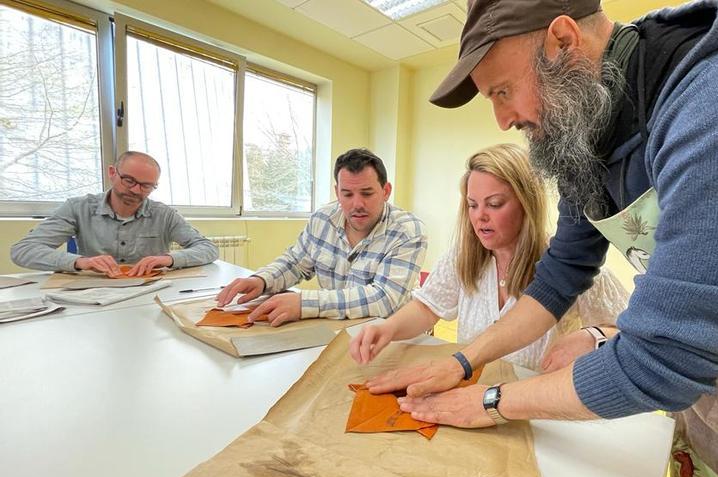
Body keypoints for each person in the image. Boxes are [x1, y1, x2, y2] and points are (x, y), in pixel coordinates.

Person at [364, 0, 718, 477]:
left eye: (502, 91)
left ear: (562, 40)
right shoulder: (586, 131)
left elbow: (662, 358)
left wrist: (492, 401)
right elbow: (558, 278)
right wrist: (461, 363)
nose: (502, 120)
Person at [349, 143, 628, 371]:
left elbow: (628, 333)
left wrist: (593, 336)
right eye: (472, 205)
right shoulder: (463, 257)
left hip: (539, 409)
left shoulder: (571, 268)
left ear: (526, 203)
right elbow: (427, 308)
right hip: (471, 397)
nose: (480, 216)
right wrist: (388, 328)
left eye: (494, 204)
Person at [217, 148, 428, 327]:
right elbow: (295, 263)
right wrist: (261, 280)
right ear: (337, 192)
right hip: (336, 330)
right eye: (347, 194)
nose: (357, 204)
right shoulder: (322, 219)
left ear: (386, 191)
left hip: (393, 337)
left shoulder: (407, 231)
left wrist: (304, 303)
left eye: (367, 193)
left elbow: (384, 299)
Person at [10, 151, 218, 276]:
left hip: (148, 294)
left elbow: (208, 249)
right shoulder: (77, 208)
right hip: (94, 296)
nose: (136, 190)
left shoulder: (164, 214)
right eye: (129, 180)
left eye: (146, 186)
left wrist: (169, 259)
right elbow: (23, 250)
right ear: (112, 173)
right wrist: (80, 262)